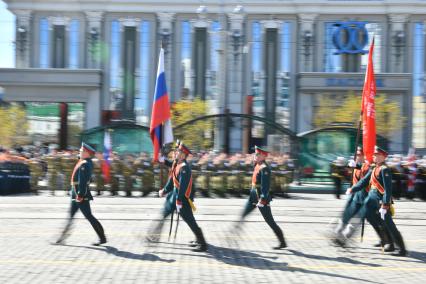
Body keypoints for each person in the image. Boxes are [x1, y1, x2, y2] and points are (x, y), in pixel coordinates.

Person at [146, 141, 207, 252]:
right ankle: (153, 235)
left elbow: (182, 186)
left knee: (189, 220)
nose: (175, 152)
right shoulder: (177, 163)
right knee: (164, 213)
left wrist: (179, 201)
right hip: (174, 196)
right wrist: (164, 190)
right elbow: (172, 178)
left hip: (182, 198)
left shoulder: (184, 168)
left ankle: (202, 243)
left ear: (183, 155)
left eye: (178, 151)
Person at [347, 146, 406, 256]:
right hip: (372, 200)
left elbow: (388, 189)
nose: (375, 157)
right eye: (375, 155)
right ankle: (388, 242)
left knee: (389, 224)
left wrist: (385, 205)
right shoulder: (374, 168)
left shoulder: (385, 170)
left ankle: (402, 249)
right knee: (371, 218)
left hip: (381, 201)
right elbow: (364, 181)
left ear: (383, 157)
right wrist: (352, 189)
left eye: (378, 155)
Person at [333, 147, 394, 251]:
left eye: (359, 155)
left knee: (378, 221)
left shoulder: (371, 166)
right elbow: (357, 177)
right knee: (365, 220)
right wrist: (352, 187)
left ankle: (389, 242)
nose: (357, 157)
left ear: (364, 156)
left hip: (371, 198)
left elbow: (366, 175)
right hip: (358, 198)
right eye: (356, 155)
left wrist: (356, 166)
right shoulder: (359, 166)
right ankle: (343, 238)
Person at [235, 146, 286, 249]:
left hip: (260, 197)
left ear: (263, 156)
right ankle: (235, 233)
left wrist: (263, 199)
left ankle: (282, 242)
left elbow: (265, 186)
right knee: (243, 214)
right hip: (253, 194)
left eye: (257, 154)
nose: (255, 155)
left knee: (270, 221)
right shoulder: (257, 164)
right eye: (255, 154)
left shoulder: (264, 168)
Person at [55, 143, 106, 246]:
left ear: (87, 153)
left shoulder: (85, 164)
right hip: (76, 192)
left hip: (80, 194)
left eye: (82, 150)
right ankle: (61, 238)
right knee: (71, 216)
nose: (80, 151)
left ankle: (102, 237)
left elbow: (83, 181)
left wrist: (80, 195)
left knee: (89, 216)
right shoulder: (84, 162)